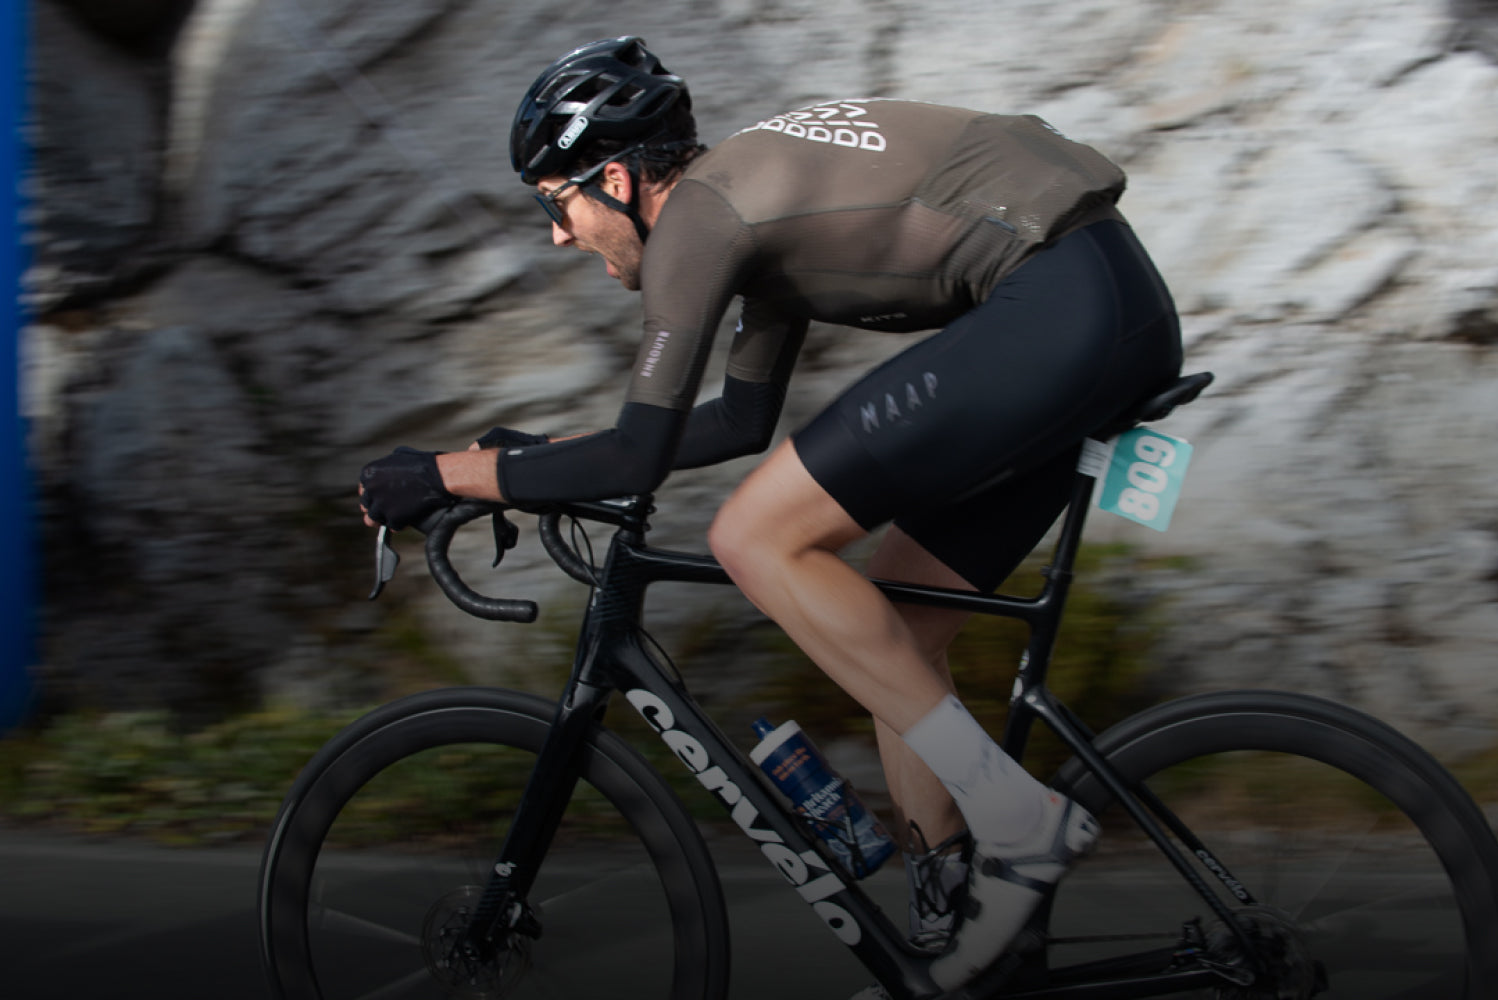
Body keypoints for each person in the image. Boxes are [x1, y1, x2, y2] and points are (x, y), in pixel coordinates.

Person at [358, 36, 1182, 993]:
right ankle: (951, 928)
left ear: (614, 180)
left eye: (555, 204)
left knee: (753, 537)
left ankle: (1017, 818)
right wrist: (529, 461)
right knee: (894, 627)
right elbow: (735, 423)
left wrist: (449, 475)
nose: (559, 236)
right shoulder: (749, 202)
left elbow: (636, 454)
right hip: (1106, 304)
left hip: (1060, 306)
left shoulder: (703, 217)